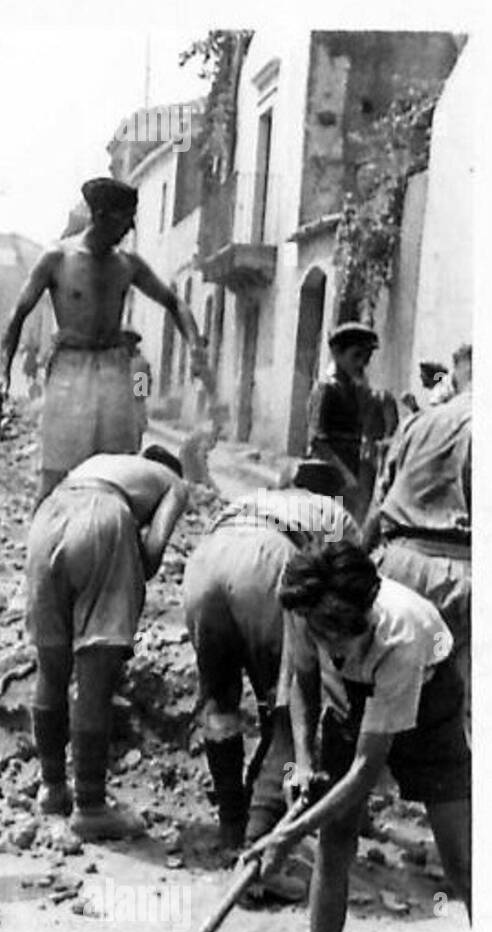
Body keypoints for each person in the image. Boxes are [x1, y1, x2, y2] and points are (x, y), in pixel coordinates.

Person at [246, 541, 471, 932]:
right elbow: (303, 683)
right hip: (353, 701)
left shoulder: (401, 633)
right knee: (333, 846)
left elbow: (367, 772)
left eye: (343, 639)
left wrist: (287, 833)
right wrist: (302, 763)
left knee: (461, 864)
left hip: (430, 700)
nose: (334, 646)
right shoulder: (305, 604)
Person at [182, 485, 360, 881]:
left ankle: (231, 826)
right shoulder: (336, 513)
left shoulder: (255, 496)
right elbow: (344, 588)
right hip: (268, 558)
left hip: (207, 558)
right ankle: (258, 847)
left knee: (219, 701)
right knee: (289, 704)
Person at [0, 177, 208, 507]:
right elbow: (17, 315)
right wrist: (3, 373)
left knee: (119, 473)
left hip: (113, 371)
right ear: (100, 215)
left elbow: (174, 303)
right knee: (55, 474)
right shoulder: (57, 258)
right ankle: (39, 549)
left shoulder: (127, 266)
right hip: (70, 370)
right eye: (125, 219)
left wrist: (195, 346)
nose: (130, 229)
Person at [26, 445, 190, 840]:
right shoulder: (174, 483)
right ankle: (91, 807)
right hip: (102, 519)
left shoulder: (101, 463)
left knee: (51, 668)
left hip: (48, 516)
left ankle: (52, 788)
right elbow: (152, 555)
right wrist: (128, 564)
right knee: (94, 675)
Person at [363, 344, 471, 729]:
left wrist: (357, 569)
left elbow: (379, 507)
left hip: (399, 568)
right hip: (464, 577)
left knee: (387, 701)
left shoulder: (417, 423)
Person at [304, 321, 379, 526]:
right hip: (327, 476)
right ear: (337, 353)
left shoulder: (355, 390)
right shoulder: (325, 388)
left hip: (349, 474)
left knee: (345, 529)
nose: (361, 364)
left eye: (366, 358)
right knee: (329, 531)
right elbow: (317, 440)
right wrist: (344, 475)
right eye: (356, 356)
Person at [123, 328, 153, 447]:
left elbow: (140, 393)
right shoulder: (120, 360)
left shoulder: (139, 364)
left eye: (125, 343)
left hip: (132, 415)